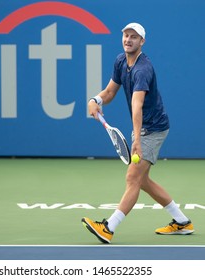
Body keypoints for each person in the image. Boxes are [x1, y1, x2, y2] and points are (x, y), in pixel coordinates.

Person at [81, 22, 194, 244]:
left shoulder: (143, 69)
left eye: (134, 37)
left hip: (153, 129)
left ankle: (108, 227)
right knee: (143, 181)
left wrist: (138, 142)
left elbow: (137, 105)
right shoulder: (120, 61)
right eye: (125, 35)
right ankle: (182, 222)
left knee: (132, 177)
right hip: (141, 128)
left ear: (142, 41)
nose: (128, 39)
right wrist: (96, 100)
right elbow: (111, 91)